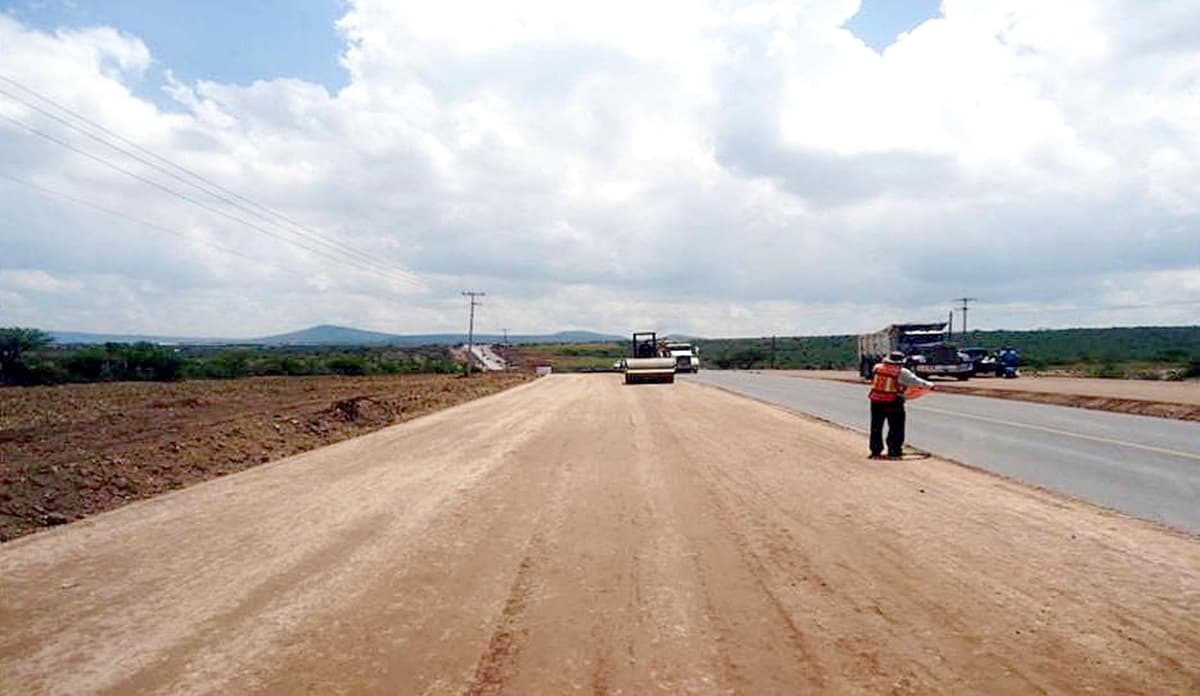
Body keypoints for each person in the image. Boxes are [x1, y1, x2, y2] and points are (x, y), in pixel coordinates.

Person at [868, 350, 934, 459]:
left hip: (875, 400)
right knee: (896, 427)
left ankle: (875, 451)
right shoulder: (902, 372)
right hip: (893, 402)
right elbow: (915, 381)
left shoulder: (877, 368)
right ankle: (894, 451)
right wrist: (930, 385)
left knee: (876, 427)